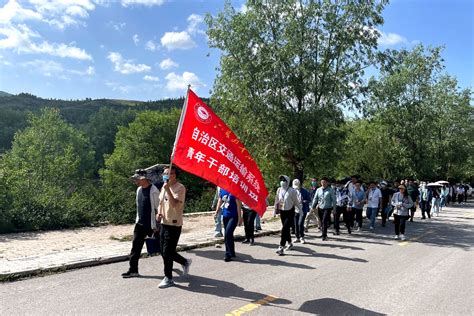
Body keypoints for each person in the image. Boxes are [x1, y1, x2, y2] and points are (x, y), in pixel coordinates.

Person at [156, 166, 191, 288]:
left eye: (170, 173)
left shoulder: (180, 188)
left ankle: (168, 278)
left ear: (175, 175)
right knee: (163, 250)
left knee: (167, 252)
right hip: (163, 222)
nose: (167, 175)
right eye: (165, 173)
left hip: (174, 224)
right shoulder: (163, 187)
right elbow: (161, 202)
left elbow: (175, 205)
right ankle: (184, 261)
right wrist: (158, 213)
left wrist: (168, 190)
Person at [122, 169, 161, 278]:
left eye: (137, 179)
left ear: (144, 179)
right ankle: (133, 270)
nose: (135, 181)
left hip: (152, 225)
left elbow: (159, 209)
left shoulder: (154, 191)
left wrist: (157, 225)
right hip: (140, 224)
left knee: (162, 248)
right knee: (135, 248)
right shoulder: (139, 190)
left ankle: (177, 262)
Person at [274, 175, 301, 255]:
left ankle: (281, 246)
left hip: (290, 212)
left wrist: (300, 210)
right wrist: (275, 210)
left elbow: (296, 202)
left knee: (284, 228)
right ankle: (289, 242)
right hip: (282, 211)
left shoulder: (292, 191)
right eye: (281, 180)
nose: (282, 182)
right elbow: (277, 200)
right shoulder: (279, 190)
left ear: (288, 181)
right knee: (286, 229)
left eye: (284, 180)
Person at [215, 188, 242, 261]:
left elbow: (238, 205)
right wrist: (217, 211)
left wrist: (240, 218)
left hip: (234, 216)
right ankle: (232, 251)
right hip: (225, 215)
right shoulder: (222, 190)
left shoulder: (235, 190)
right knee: (228, 235)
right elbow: (220, 200)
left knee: (228, 233)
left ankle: (228, 253)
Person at [292, 179, 310, 244]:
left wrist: (305, 201)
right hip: (295, 210)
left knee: (300, 224)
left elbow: (309, 200)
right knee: (296, 224)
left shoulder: (305, 191)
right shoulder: (293, 191)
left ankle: (302, 237)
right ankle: (297, 237)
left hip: (303, 210)